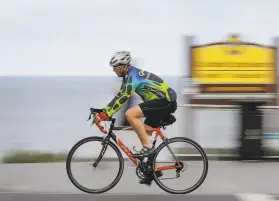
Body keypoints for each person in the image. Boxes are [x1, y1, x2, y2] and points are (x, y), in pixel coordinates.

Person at [94, 51, 177, 185]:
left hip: (164, 101)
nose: (113, 70)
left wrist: (105, 114)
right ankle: (153, 171)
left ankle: (148, 147)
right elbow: (120, 95)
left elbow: (122, 98)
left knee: (130, 114)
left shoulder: (132, 77)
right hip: (159, 102)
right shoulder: (129, 76)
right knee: (144, 133)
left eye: (114, 68)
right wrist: (104, 111)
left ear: (122, 67)